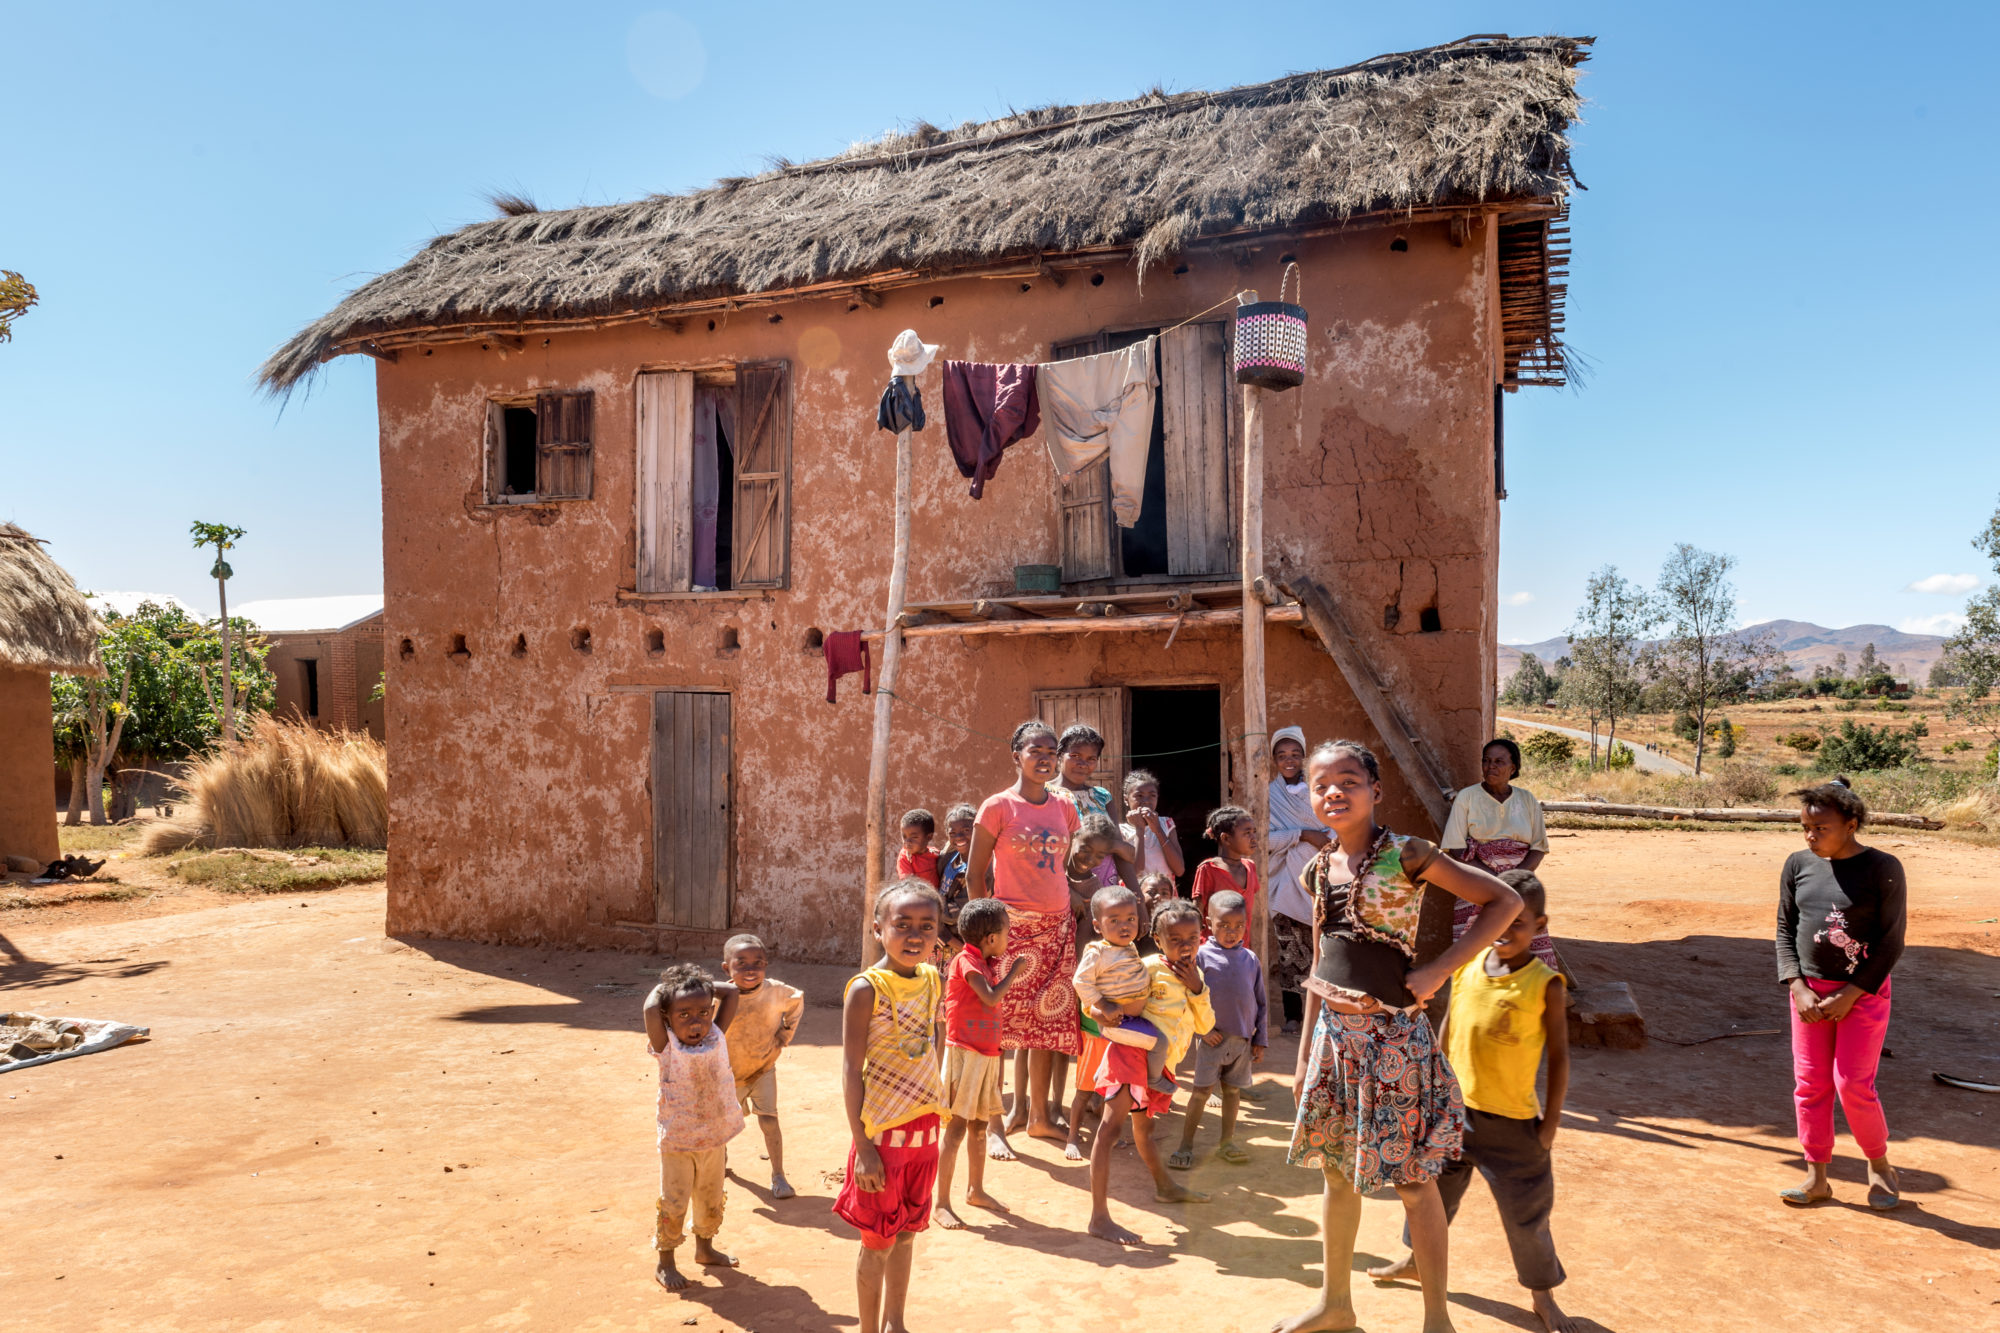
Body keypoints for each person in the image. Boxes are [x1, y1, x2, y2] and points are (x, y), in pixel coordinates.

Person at [1273, 739, 1521, 1333]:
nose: (1334, 792)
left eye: (1349, 780)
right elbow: (1318, 964)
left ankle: (1437, 1319)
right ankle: (1336, 1305)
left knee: (1413, 1182)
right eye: (1321, 785)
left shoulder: (1408, 854)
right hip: (1335, 1041)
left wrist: (1441, 967)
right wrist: (1305, 1053)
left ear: (1375, 791)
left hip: (1392, 1043)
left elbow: (1502, 901)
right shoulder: (1315, 867)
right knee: (1336, 1173)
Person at [1367, 870, 1579, 1333]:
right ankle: (1414, 1260)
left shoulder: (1546, 984)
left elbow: (1560, 1060)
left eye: (1519, 924)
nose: (1505, 930)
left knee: (1527, 1216)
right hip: (1453, 1116)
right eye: (1498, 919)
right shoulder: (1466, 966)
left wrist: (1550, 1126)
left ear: (1540, 926)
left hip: (1514, 1125)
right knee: (1430, 1199)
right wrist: (1431, 1088)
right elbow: (1447, 1030)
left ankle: (1543, 1297)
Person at [1776, 779, 1906, 1210]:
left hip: (1863, 995)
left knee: (1852, 1084)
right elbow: (1784, 929)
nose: (1811, 837)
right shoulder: (1797, 865)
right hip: (1809, 998)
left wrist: (1851, 994)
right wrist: (1797, 986)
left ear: (1851, 824)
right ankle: (1816, 1176)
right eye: (1806, 829)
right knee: (1810, 1084)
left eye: (1821, 829)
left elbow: (1891, 942)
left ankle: (1880, 1166)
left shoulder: (1883, 868)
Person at [836, 881, 947, 1333]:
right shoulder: (866, 989)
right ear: (878, 929)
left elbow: (933, 1044)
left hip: (925, 1135)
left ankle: (895, 1324)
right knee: (877, 1243)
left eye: (927, 925)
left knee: (906, 1235)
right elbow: (849, 1068)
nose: (915, 935)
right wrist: (862, 1146)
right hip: (881, 1140)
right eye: (902, 925)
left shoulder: (932, 979)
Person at [968, 720, 1082, 1157]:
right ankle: (995, 1122)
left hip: (1055, 930)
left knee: (1043, 1025)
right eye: (1035, 750)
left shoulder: (1065, 808)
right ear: (1016, 755)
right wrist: (986, 934)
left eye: (1051, 751)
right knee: (999, 1027)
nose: (1045, 758)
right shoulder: (998, 807)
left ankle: (1037, 1119)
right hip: (1009, 931)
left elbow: (1065, 870)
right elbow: (977, 875)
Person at [1084, 897, 1213, 1243]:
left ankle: (1165, 1187)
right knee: (1110, 1130)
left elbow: (1205, 1024)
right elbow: (1099, 994)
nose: (1185, 947)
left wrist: (1197, 989)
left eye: (1192, 939)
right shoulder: (1146, 967)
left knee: (1144, 1131)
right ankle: (1099, 1217)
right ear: (1157, 941)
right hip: (1130, 1054)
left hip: (1160, 1065)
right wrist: (1099, 1012)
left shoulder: (1195, 976)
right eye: (1175, 940)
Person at [642, 963, 746, 1292]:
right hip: (679, 1141)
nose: (696, 1021)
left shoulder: (716, 1034)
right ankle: (666, 1261)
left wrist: (698, 984)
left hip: (714, 1137)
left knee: (710, 1196)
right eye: (683, 1014)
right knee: (674, 1200)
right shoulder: (666, 1047)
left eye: (703, 1012)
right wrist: (674, 988)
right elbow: (649, 1007)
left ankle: (705, 1249)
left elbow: (731, 991)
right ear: (667, 1018)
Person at [936, 898, 1030, 1229]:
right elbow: (989, 997)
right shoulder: (966, 962)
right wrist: (1014, 974)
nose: (1009, 938)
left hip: (985, 1055)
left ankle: (975, 1189)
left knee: (978, 1128)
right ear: (990, 938)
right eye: (1006, 932)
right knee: (957, 1128)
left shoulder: (985, 961)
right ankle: (942, 1202)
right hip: (965, 1054)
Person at [1065, 884, 1172, 1160]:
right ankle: (1154, 1079)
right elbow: (1080, 981)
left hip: (1131, 1021)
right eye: (1114, 921)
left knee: (1118, 1086)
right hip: (1115, 1023)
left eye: (1131, 919)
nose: (1125, 926)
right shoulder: (1098, 951)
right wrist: (1103, 1004)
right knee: (1159, 1042)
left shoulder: (1128, 948)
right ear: (1099, 926)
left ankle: (1120, 1128)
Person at [1440, 738, 1556, 969]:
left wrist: (1515, 879)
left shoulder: (1527, 800)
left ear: (1513, 768)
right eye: (1486, 761)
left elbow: (1538, 848)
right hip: (1476, 880)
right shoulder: (1468, 797)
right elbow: (1456, 847)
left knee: (1523, 934)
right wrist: (1494, 880)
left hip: (1520, 881)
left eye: (1499, 761)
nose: (1491, 766)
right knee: (1476, 943)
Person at [1172, 890, 1267, 1169]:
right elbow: (1187, 997)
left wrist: (1259, 1038)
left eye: (1238, 926)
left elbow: (1260, 1001)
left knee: (1233, 1093)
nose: (1231, 932)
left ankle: (1227, 1143)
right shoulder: (1200, 956)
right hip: (1212, 1041)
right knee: (1200, 1093)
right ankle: (1185, 1146)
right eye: (1224, 925)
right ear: (1208, 923)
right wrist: (1203, 1032)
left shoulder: (1250, 959)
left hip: (1242, 1042)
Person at [718, 934, 805, 1200]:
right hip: (727, 1073)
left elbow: (796, 1001)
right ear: (726, 968)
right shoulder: (719, 996)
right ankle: (719, 1163)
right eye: (741, 963)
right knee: (723, 1125)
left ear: (766, 964)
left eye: (757, 963)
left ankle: (778, 1175)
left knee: (769, 1120)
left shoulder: (776, 992)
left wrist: (785, 1034)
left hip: (763, 1067)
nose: (750, 969)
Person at [1267, 725, 1325, 1034]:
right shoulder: (1269, 796)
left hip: (1320, 881)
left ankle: (1323, 1015)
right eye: (1281, 755)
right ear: (1274, 759)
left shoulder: (1319, 791)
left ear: (1304, 756)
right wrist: (1303, 834)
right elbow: (1262, 840)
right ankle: (1293, 1016)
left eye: (1295, 754)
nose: (1289, 761)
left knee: (1324, 950)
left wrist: (1321, 839)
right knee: (1289, 952)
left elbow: (1334, 831)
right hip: (1285, 883)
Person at [1191, 805, 1260, 934]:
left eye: (1254, 832)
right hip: (1212, 949)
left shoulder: (1250, 867)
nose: (1253, 838)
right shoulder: (1208, 869)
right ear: (1226, 838)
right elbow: (1196, 915)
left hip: (1239, 949)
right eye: (1247, 833)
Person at [1120, 768, 1185, 883]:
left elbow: (1179, 870)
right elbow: (1136, 872)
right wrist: (1139, 829)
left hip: (1166, 897)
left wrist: (1158, 830)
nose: (1146, 801)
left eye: (1152, 795)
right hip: (1137, 897)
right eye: (1139, 796)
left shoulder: (1166, 824)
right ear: (1126, 799)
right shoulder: (1120, 831)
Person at [937, 804, 977, 949]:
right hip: (940, 938)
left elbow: (956, 915)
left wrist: (930, 907)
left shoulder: (980, 869)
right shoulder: (949, 857)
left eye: (966, 830)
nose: (959, 837)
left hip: (958, 940)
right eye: (952, 833)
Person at [1135, 870, 1178, 956]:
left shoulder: (1175, 925)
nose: (1158, 896)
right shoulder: (1134, 925)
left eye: (1164, 893)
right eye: (1151, 892)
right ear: (1139, 896)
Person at [897, 809, 941, 888]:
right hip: (917, 897)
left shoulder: (935, 854)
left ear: (929, 837)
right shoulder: (906, 857)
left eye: (914, 837)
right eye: (904, 837)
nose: (907, 841)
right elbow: (908, 883)